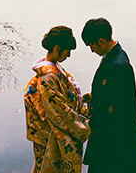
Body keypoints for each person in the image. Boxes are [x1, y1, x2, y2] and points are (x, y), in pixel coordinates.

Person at [81, 17, 136, 173]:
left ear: (101, 41)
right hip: (111, 134)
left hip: (114, 137)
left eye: (91, 45)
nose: (92, 50)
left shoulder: (118, 66)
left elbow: (118, 109)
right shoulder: (114, 56)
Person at [25, 25, 90, 173]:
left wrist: (83, 101)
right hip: (49, 135)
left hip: (48, 132)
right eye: (68, 51)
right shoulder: (48, 76)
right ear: (57, 48)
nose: (68, 55)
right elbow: (58, 110)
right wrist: (84, 122)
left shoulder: (54, 70)